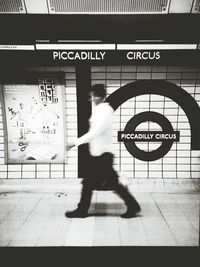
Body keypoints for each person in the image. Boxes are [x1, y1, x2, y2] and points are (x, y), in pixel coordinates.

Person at [65, 84, 141, 218]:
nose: (91, 98)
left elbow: (96, 132)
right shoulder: (100, 109)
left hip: (103, 156)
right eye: (91, 95)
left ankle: (82, 210)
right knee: (93, 183)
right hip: (99, 156)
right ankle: (132, 206)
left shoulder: (105, 111)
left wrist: (75, 143)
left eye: (93, 95)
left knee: (101, 183)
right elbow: (94, 133)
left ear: (100, 96)